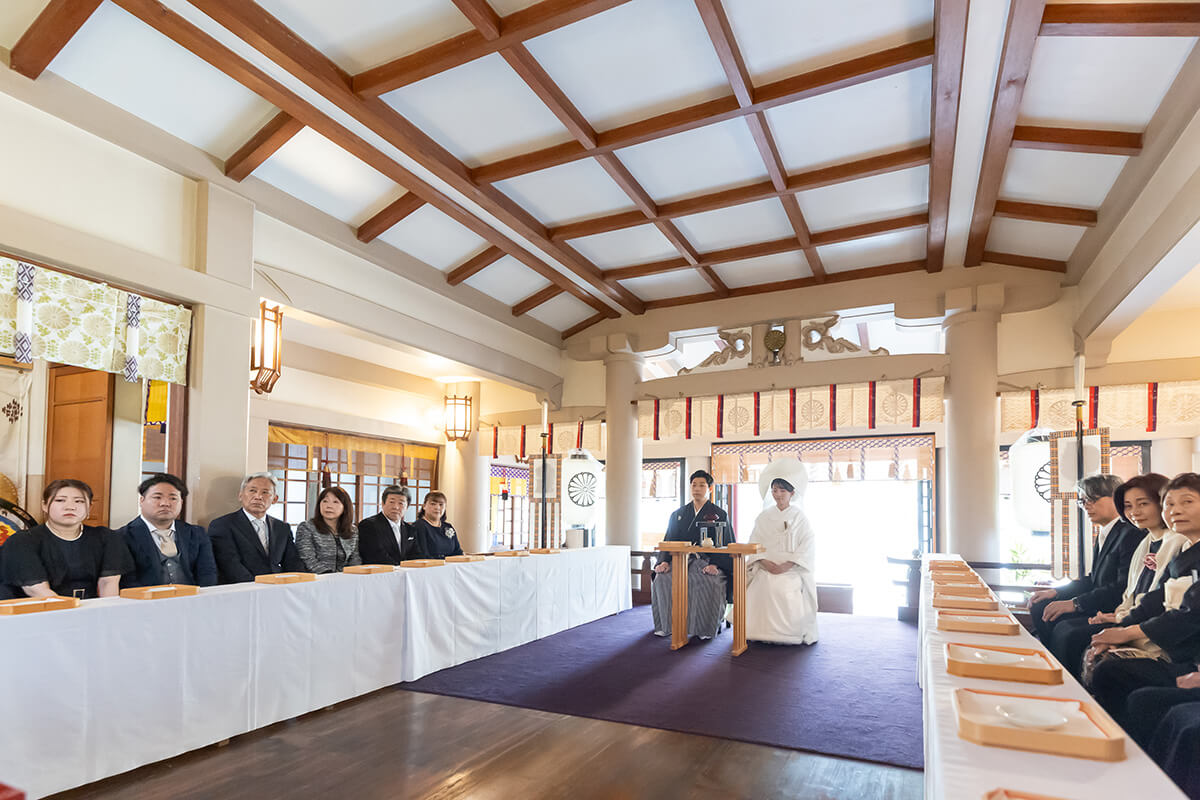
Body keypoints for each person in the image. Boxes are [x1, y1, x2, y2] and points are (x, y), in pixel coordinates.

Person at [1088, 473, 1200, 729]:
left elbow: (1190, 616)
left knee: (1140, 698)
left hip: (1186, 656)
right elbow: (1154, 598)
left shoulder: (1181, 547)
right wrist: (1119, 629)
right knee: (1107, 667)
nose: (1175, 511)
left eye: (1187, 502)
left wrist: (1126, 632)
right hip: (1181, 651)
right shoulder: (1185, 554)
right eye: (1169, 504)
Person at [1051, 473, 1183, 679]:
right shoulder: (1146, 541)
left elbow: (1160, 600)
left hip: (1152, 633)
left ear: (1162, 502)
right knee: (1066, 629)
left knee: (1074, 636)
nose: (1134, 512)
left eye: (1143, 504)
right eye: (1128, 506)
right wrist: (1119, 616)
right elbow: (1129, 591)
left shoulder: (1177, 541)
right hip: (1131, 617)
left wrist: (1121, 624)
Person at [1028, 473, 1139, 643]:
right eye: (1083, 501)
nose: (1086, 506)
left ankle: (1059, 665)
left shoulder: (1130, 533)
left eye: (1092, 499)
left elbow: (1120, 587)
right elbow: (1093, 579)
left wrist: (1076, 603)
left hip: (1113, 607)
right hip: (1099, 599)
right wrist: (1056, 591)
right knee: (1040, 606)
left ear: (1116, 498)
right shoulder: (1105, 533)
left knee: (1066, 631)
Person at [0, 479, 131, 599]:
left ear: (89, 507)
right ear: (44, 505)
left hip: (93, 611)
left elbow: (108, 584)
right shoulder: (22, 541)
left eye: (79, 501)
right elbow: (37, 591)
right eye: (60, 500)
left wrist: (106, 614)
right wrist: (71, 614)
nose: (70, 506)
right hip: (42, 612)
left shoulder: (106, 537)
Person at [651, 469, 734, 640]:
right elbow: (669, 540)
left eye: (702, 485)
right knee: (662, 578)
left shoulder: (719, 515)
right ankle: (667, 625)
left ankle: (704, 628)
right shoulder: (678, 514)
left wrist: (715, 565)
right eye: (694, 485)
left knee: (707, 580)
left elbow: (726, 543)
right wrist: (665, 561)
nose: (697, 488)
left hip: (706, 561)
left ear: (710, 489)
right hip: (679, 560)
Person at [745, 463, 818, 645]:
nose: (778, 495)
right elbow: (754, 542)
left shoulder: (800, 517)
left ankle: (790, 634)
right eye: (775, 490)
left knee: (784, 587)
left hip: (791, 568)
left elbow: (807, 544)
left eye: (782, 491)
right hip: (766, 565)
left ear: (792, 493)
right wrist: (764, 562)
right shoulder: (763, 517)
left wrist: (787, 564)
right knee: (762, 584)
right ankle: (757, 632)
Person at [118, 473, 217, 588]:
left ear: (181, 502)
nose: (165, 503)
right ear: (141, 500)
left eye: (173, 498)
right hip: (146, 602)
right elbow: (127, 581)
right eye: (157, 497)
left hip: (192, 600)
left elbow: (207, 573)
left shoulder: (197, 533)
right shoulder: (122, 537)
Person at [208, 473, 305, 583]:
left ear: (275, 499)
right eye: (252, 491)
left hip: (279, 588)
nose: (258, 497)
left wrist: (299, 583)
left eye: (265, 492)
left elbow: (293, 562)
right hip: (242, 589)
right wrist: (258, 587)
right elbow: (230, 565)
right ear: (240, 495)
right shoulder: (222, 525)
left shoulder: (282, 528)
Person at [295, 486, 361, 574]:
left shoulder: (353, 530)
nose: (329, 506)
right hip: (317, 579)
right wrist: (329, 576)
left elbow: (355, 558)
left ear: (345, 507)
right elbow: (307, 558)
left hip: (346, 579)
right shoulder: (306, 527)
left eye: (335, 502)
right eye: (325, 501)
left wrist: (352, 575)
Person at [357, 485, 415, 565]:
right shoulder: (368, 525)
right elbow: (375, 555)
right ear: (383, 503)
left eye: (401, 503)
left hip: (405, 574)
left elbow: (414, 555)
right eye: (391, 502)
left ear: (407, 506)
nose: (396, 507)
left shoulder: (410, 529)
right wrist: (399, 569)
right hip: (379, 574)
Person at [409, 491, 464, 559]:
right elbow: (423, 555)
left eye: (441, 505)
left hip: (451, 567)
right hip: (431, 567)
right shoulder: (418, 526)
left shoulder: (448, 526)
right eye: (433, 504)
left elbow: (458, 551)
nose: (437, 508)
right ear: (424, 506)